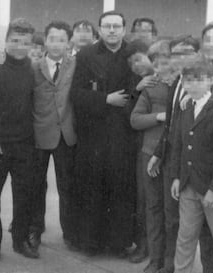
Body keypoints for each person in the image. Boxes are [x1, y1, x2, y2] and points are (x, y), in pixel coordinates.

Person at [70, 11, 138, 256]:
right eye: (107, 26)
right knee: (92, 189)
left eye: (116, 26)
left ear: (124, 29)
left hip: (123, 133)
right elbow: (76, 94)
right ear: (99, 29)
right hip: (94, 133)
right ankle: (90, 242)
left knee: (120, 189)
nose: (111, 31)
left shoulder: (133, 55)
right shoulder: (86, 55)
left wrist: (126, 100)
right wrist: (105, 99)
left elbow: (140, 93)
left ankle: (119, 244)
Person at [170, 54, 213, 273]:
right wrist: (177, 177)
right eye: (188, 80)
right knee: (185, 238)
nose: (193, 84)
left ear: (210, 80)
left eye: (199, 79)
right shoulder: (185, 107)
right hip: (189, 185)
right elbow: (179, 145)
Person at [0, 18, 37, 262]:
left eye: (25, 42)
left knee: (24, 194)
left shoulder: (33, 66)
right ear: (5, 41)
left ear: (32, 44)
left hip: (25, 142)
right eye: (14, 41)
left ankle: (20, 240)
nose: (19, 46)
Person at [30, 20, 78, 252]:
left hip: (67, 134)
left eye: (61, 39)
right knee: (36, 184)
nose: (57, 44)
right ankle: (35, 229)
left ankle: (70, 231)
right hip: (39, 133)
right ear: (45, 40)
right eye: (52, 39)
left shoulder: (77, 65)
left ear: (68, 42)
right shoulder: (33, 66)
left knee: (67, 185)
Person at [129, 40, 170, 267]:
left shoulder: (185, 86)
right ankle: (154, 257)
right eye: (158, 63)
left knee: (170, 210)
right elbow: (135, 120)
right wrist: (158, 116)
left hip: (174, 154)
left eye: (167, 62)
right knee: (151, 206)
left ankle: (169, 258)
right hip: (149, 152)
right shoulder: (150, 87)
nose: (163, 67)